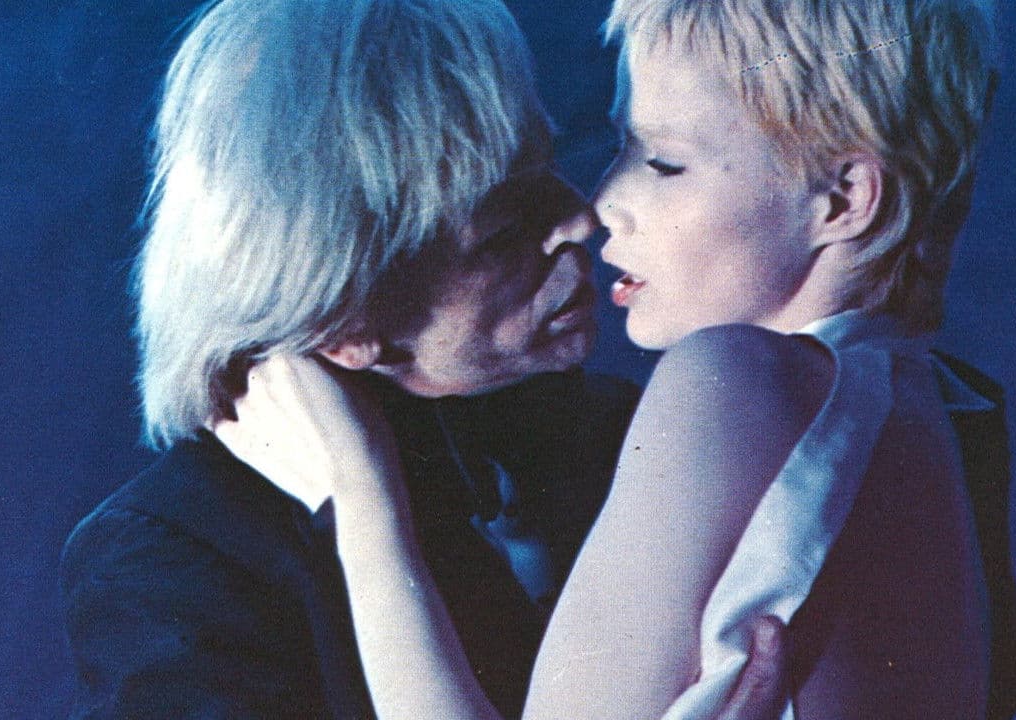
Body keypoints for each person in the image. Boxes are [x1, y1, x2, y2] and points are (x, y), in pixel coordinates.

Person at [215, 0, 1016, 719]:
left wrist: (363, 503)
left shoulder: (729, 379)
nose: (604, 204)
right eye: (623, 147)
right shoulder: (937, 412)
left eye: (664, 163)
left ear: (843, 199)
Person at [59, 0, 787, 718]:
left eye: (549, 166)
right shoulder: (176, 564)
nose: (579, 217)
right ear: (347, 324)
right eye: (505, 227)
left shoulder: (621, 432)